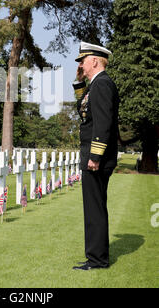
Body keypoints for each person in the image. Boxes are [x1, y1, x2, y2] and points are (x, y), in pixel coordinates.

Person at [72, 41, 119, 271]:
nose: (81, 64)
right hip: (94, 157)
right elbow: (84, 110)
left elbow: (103, 123)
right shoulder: (96, 84)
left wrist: (95, 156)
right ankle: (95, 256)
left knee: (95, 208)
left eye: (83, 60)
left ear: (94, 60)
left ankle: (98, 259)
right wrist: (79, 82)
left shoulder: (102, 85)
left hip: (96, 159)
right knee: (94, 207)